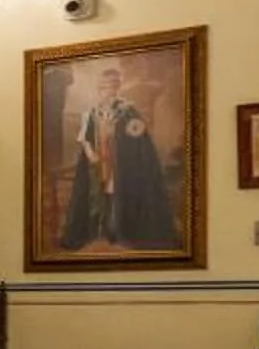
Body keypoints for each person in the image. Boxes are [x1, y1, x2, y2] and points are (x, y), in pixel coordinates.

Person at [60, 64, 177, 249]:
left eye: (110, 87)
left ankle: (119, 229)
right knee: (99, 194)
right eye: (103, 87)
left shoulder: (127, 110)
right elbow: (84, 137)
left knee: (116, 192)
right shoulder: (91, 112)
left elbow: (137, 135)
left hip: (120, 163)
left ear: (117, 88)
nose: (106, 91)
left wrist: (128, 138)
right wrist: (91, 154)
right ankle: (100, 230)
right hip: (98, 161)